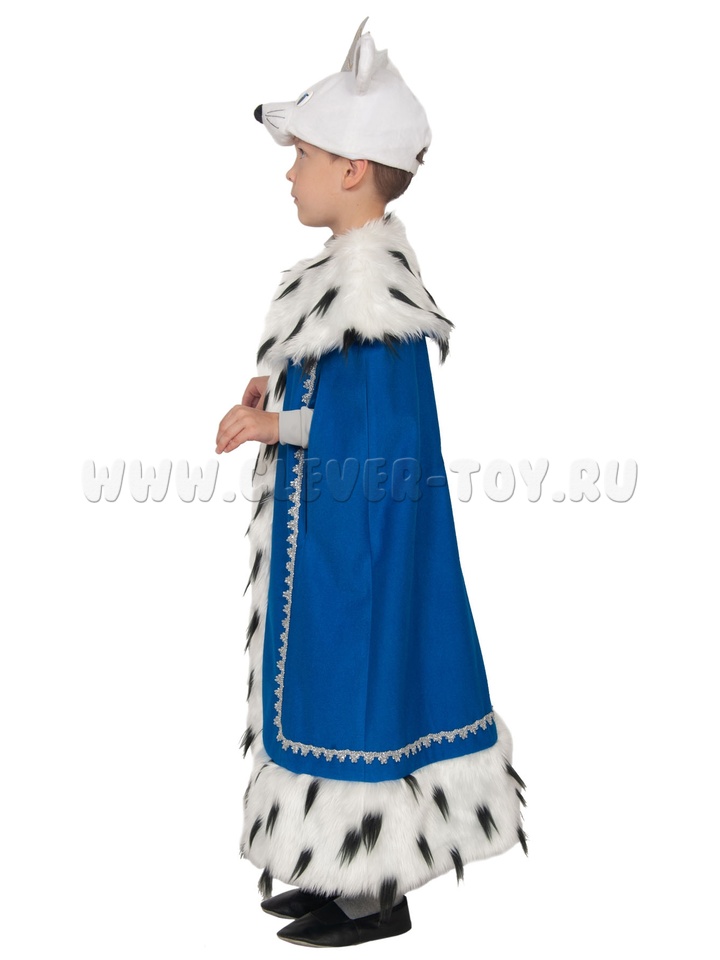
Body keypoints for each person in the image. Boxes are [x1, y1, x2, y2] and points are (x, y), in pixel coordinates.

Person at [215, 20, 526, 948]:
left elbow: (376, 432)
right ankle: (334, 865)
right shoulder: (342, 280)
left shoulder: (371, 290)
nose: (290, 174)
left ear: (352, 170)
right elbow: (337, 392)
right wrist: (275, 388)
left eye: (303, 157)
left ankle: (375, 891)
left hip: (363, 546)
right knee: (327, 684)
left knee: (359, 687)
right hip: (332, 536)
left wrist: (274, 426)